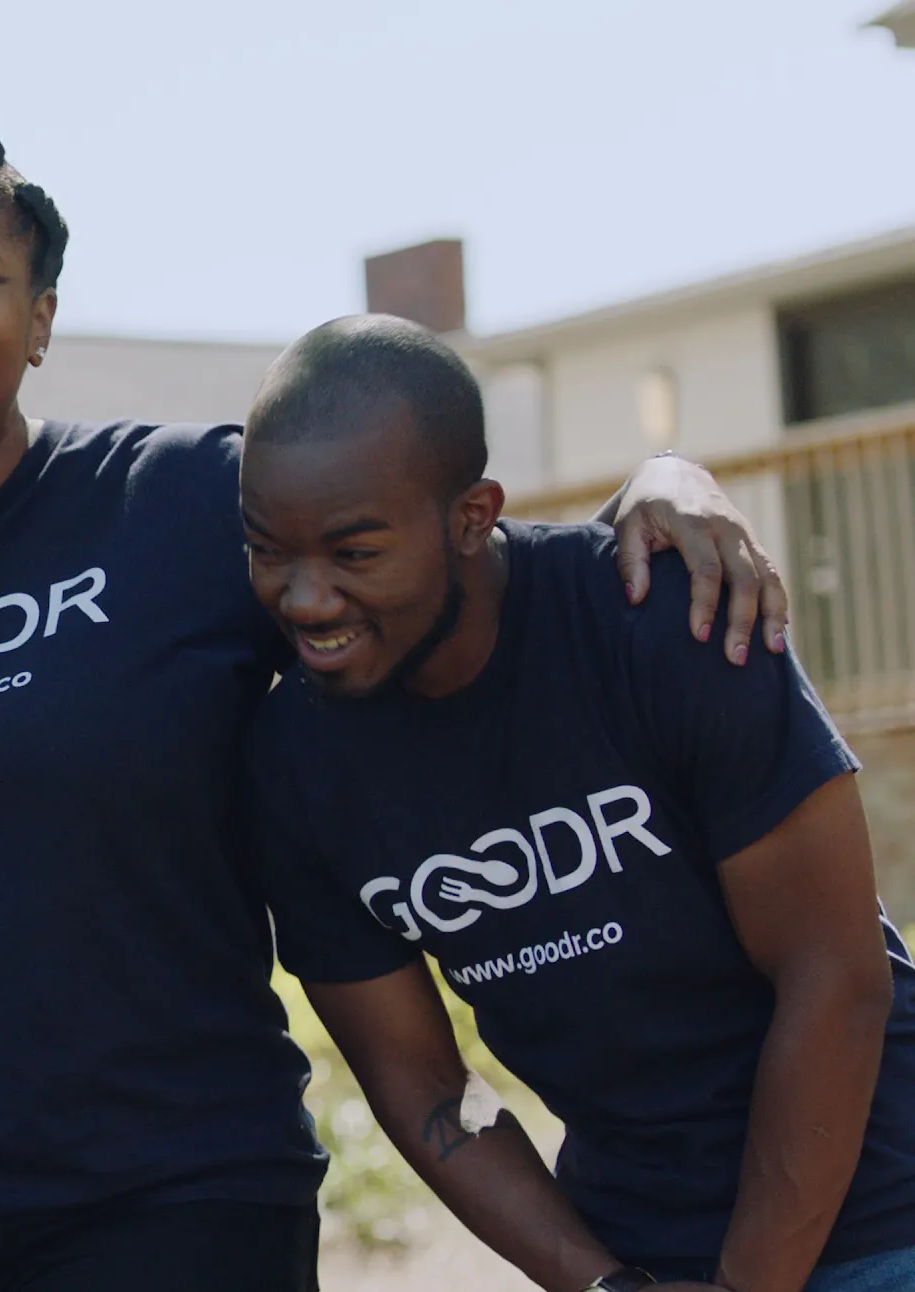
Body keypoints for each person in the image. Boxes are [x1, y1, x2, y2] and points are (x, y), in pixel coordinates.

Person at [0, 106, 792, 1291]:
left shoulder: (176, 506)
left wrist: (666, 473)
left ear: (41, 318)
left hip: (180, 1198)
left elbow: (444, 556)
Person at [235, 315, 915, 1292]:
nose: (303, 598)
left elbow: (833, 979)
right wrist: (601, 1281)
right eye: (269, 551)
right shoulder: (290, 770)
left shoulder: (668, 623)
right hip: (634, 1238)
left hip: (880, 1201)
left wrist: (749, 1282)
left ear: (472, 515)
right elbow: (425, 1086)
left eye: (353, 553)